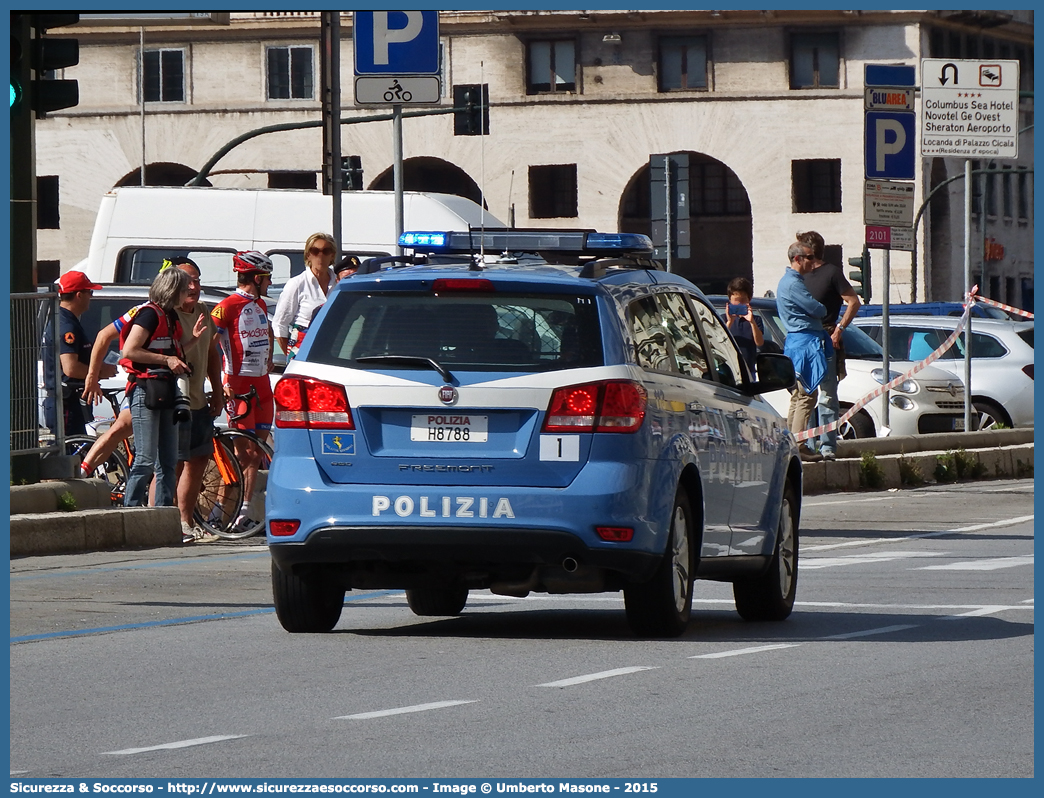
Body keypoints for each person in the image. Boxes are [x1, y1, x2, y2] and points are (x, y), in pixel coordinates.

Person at [212, 251, 275, 533]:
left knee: (256, 453)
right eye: (268, 278)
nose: (271, 283)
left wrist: (271, 354)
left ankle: (245, 512)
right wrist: (219, 383)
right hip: (238, 387)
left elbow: (268, 334)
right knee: (244, 452)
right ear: (257, 278)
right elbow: (209, 347)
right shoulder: (227, 306)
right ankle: (219, 510)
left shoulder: (260, 303)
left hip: (262, 385)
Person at [120, 267, 191, 507]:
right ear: (173, 291)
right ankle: (129, 512)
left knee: (169, 461)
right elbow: (129, 350)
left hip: (166, 391)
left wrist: (191, 342)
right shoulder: (149, 314)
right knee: (145, 459)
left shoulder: (170, 315)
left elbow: (171, 351)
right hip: (145, 391)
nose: (188, 293)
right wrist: (166, 360)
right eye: (184, 289)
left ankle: (163, 516)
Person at [170, 258, 225, 542]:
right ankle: (163, 520)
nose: (194, 287)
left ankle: (185, 522)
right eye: (187, 281)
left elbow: (213, 354)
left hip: (198, 401)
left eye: (197, 280)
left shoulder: (203, 311)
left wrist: (217, 390)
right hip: (173, 403)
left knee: (198, 460)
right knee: (171, 463)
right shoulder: (164, 314)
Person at [796, 231, 862, 460]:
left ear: (809, 251)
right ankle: (806, 444)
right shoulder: (798, 277)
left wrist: (839, 329)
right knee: (805, 396)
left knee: (826, 397)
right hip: (804, 340)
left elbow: (854, 302)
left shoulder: (832, 273)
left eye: (799, 250)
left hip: (825, 339)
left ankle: (828, 447)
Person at [42, 271, 116, 438]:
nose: (91, 296)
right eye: (90, 292)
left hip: (71, 401)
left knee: (76, 452)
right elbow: (70, 368)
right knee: (69, 451)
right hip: (67, 403)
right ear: (78, 295)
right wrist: (100, 371)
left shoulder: (67, 320)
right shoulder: (66, 325)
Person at [777, 241, 829, 463]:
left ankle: (791, 441)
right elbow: (817, 308)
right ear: (797, 259)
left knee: (799, 395)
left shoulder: (791, 282)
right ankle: (798, 443)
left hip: (800, 342)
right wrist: (821, 309)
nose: (813, 261)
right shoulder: (792, 284)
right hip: (804, 343)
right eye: (809, 257)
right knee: (807, 395)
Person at [272, 232, 337, 361]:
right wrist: (291, 356)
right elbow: (279, 324)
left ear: (332, 255)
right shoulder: (297, 284)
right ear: (308, 255)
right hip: (302, 348)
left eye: (326, 251)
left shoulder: (338, 284)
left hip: (332, 349)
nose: (320, 256)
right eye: (315, 251)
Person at [723, 276, 764, 374]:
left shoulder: (756, 320)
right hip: (728, 370)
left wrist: (752, 322)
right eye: (736, 300)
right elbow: (720, 341)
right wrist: (729, 322)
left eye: (743, 300)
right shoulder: (723, 319)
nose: (739, 303)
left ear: (749, 300)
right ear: (730, 300)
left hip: (748, 371)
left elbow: (759, 343)